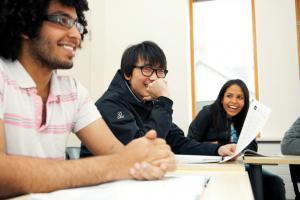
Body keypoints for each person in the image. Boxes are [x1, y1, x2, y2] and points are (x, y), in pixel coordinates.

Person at [0, 1, 176, 198]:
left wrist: (149, 159)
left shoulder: (73, 92)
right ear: (25, 25)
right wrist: (120, 163)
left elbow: (121, 156)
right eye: (61, 20)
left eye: (77, 24)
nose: (76, 35)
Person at [80, 41, 236, 158]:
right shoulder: (110, 104)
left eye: (160, 71)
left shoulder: (148, 102)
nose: (154, 78)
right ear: (127, 73)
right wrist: (164, 100)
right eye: (147, 69)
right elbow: (143, 148)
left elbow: (178, 142)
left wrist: (217, 150)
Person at [187, 79, 286, 200]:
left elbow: (253, 147)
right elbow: (190, 143)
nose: (234, 101)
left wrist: (236, 148)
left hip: (240, 165)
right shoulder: (207, 113)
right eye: (229, 96)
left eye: (240, 97)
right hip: (214, 166)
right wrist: (220, 147)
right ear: (222, 98)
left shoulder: (247, 118)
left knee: (275, 183)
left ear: (245, 102)